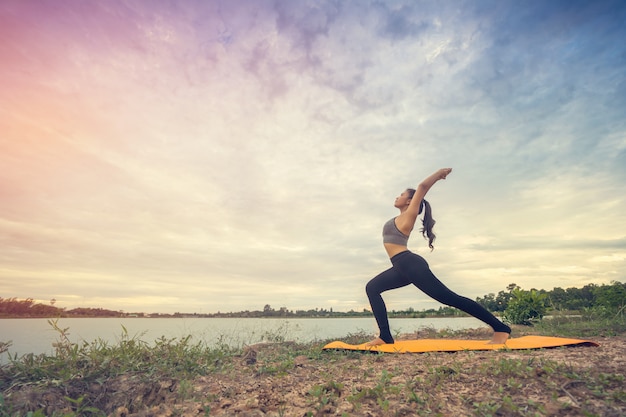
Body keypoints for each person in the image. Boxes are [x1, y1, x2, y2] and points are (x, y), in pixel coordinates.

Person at [365, 168, 511, 346]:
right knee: (372, 288)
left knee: (449, 298)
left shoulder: (408, 216)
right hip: (400, 267)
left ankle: (501, 328)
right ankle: (385, 336)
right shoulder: (399, 217)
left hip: (410, 264)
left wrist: (438, 174)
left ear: (410, 201)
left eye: (401, 194)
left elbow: (423, 186)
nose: (397, 197)